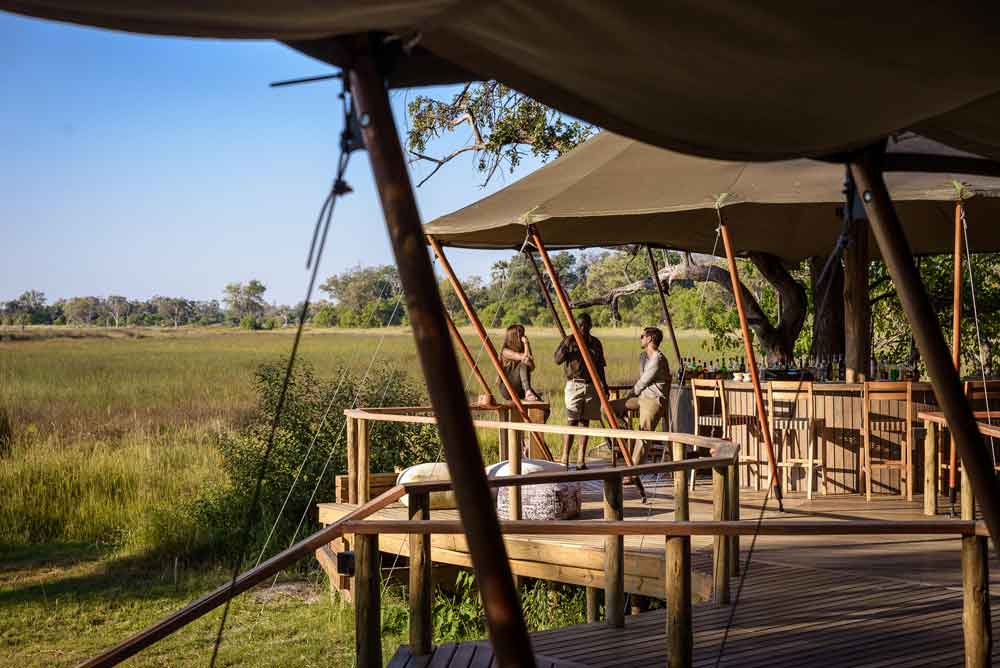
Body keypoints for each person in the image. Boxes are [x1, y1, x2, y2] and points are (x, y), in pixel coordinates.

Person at [553, 313, 607, 468]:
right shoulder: (569, 341)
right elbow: (557, 360)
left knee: (585, 422)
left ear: (590, 326)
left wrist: (604, 385)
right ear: (576, 326)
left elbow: (600, 367)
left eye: (585, 325)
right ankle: (565, 458)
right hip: (574, 385)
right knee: (572, 421)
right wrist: (566, 344)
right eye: (580, 325)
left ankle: (581, 459)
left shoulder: (595, 343)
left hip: (591, 385)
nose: (583, 328)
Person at [615, 326, 671, 465]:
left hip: (654, 400)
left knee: (644, 434)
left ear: (649, 339)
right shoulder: (643, 357)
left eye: (642, 336)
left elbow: (642, 382)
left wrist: (628, 395)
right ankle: (628, 434)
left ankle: (633, 472)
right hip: (641, 398)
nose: (640, 338)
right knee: (607, 408)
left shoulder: (657, 359)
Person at [499, 324, 542, 401]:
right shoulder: (505, 351)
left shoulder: (522, 350)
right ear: (515, 337)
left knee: (543, 407)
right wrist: (526, 343)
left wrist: (527, 346)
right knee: (523, 364)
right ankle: (528, 392)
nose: (524, 337)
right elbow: (525, 358)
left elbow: (532, 367)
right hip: (507, 387)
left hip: (520, 388)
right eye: (522, 335)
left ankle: (528, 392)